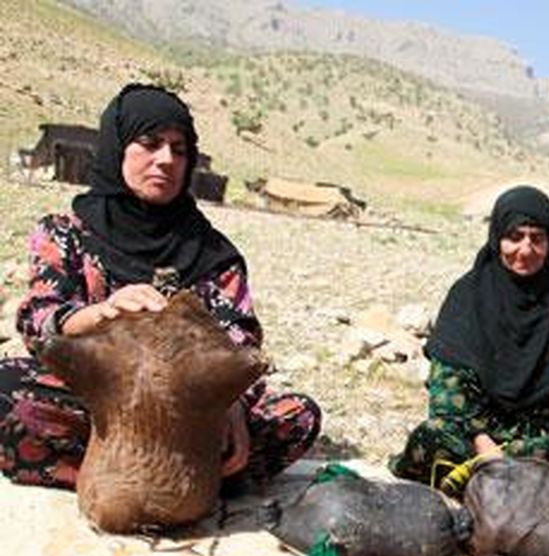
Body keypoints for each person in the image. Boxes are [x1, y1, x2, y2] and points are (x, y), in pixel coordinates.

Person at [0, 83, 321, 492]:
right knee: (6, 388)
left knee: (298, 415)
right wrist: (102, 313)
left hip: (191, 414)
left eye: (179, 149)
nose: (166, 160)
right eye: (150, 144)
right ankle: (140, 481)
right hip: (99, 404)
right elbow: (36, 321)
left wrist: (232, 404)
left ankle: (172, 475)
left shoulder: (214, 255)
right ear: (117, 148)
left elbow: (242, 347)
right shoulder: (66, 234)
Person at [389, 185, 549, 487]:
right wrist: (485, 448)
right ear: (497, 238)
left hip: (539, 442)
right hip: (474, 439)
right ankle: (499, 484)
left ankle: (485, 486)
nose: (525, 250)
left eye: (537, 239)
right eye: (515, 236)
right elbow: (447, 397)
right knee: (433, 436)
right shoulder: (466, 298)